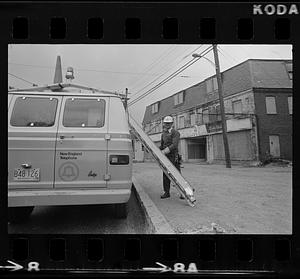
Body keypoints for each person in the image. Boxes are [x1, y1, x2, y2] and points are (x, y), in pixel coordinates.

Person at [159, 116, 181, 199]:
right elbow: (162, 146)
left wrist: (164, 151)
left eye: (169, 123)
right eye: (166, 123)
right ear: (164, 124)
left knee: (177, 175)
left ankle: (183, 193)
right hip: (166, 157)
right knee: (165, 175)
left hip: (173, 156)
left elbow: (174, 145)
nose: (167, 125)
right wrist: (154, 149)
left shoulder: (175, 133)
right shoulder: (163, 134)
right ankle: (166, 192)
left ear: (172, 124)